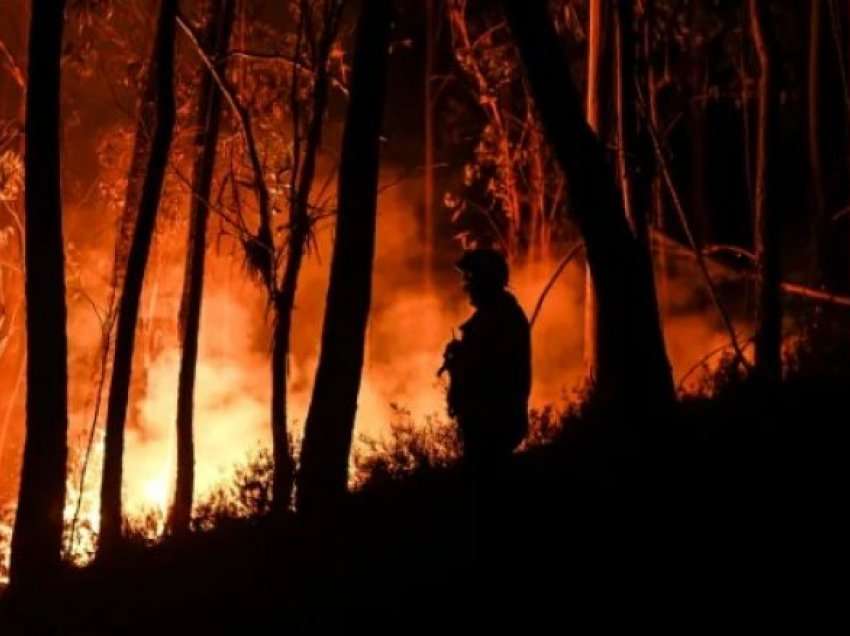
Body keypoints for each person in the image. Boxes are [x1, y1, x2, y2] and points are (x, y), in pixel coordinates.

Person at [441, 247, 531, 477]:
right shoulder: (500, 316)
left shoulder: (498, 320)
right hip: (491, 423)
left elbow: (489, 374)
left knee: (486, 488)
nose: (465, 285)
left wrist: (460, 361)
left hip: (492, 424)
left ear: (485, 280)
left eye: (469, 278)